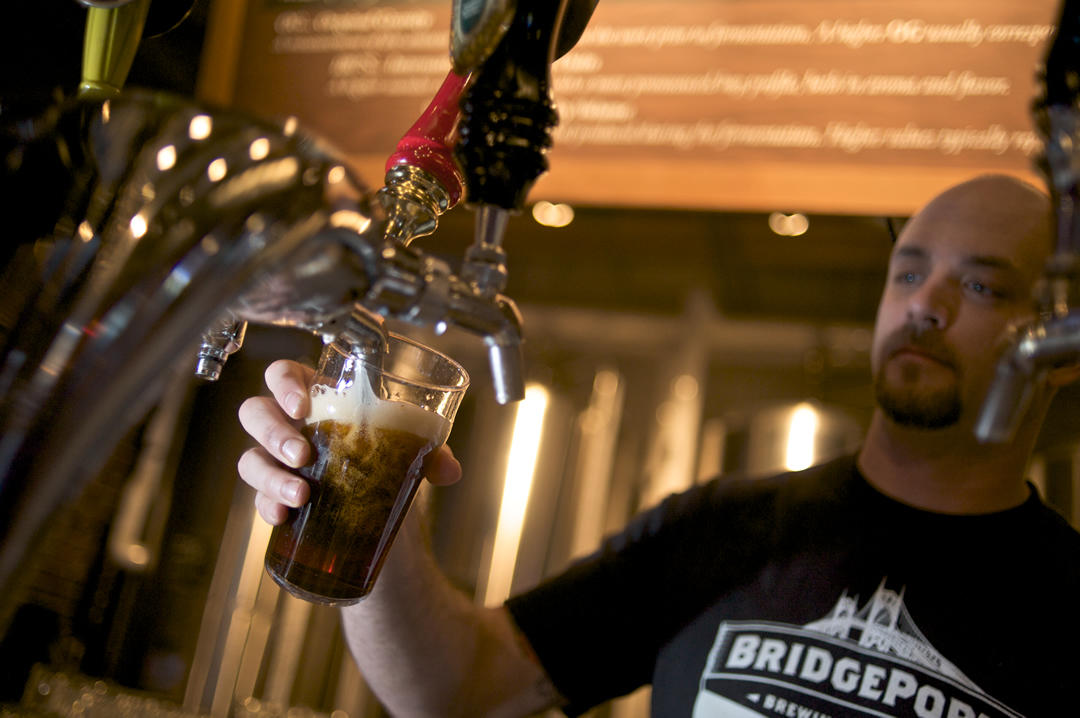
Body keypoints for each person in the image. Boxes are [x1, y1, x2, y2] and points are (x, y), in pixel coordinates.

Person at [237, 173, 1080, 717]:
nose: (924, 303)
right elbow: (453, 690)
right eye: (907, 270)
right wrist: (386, 518)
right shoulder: (723, 527)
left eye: (978, 284)